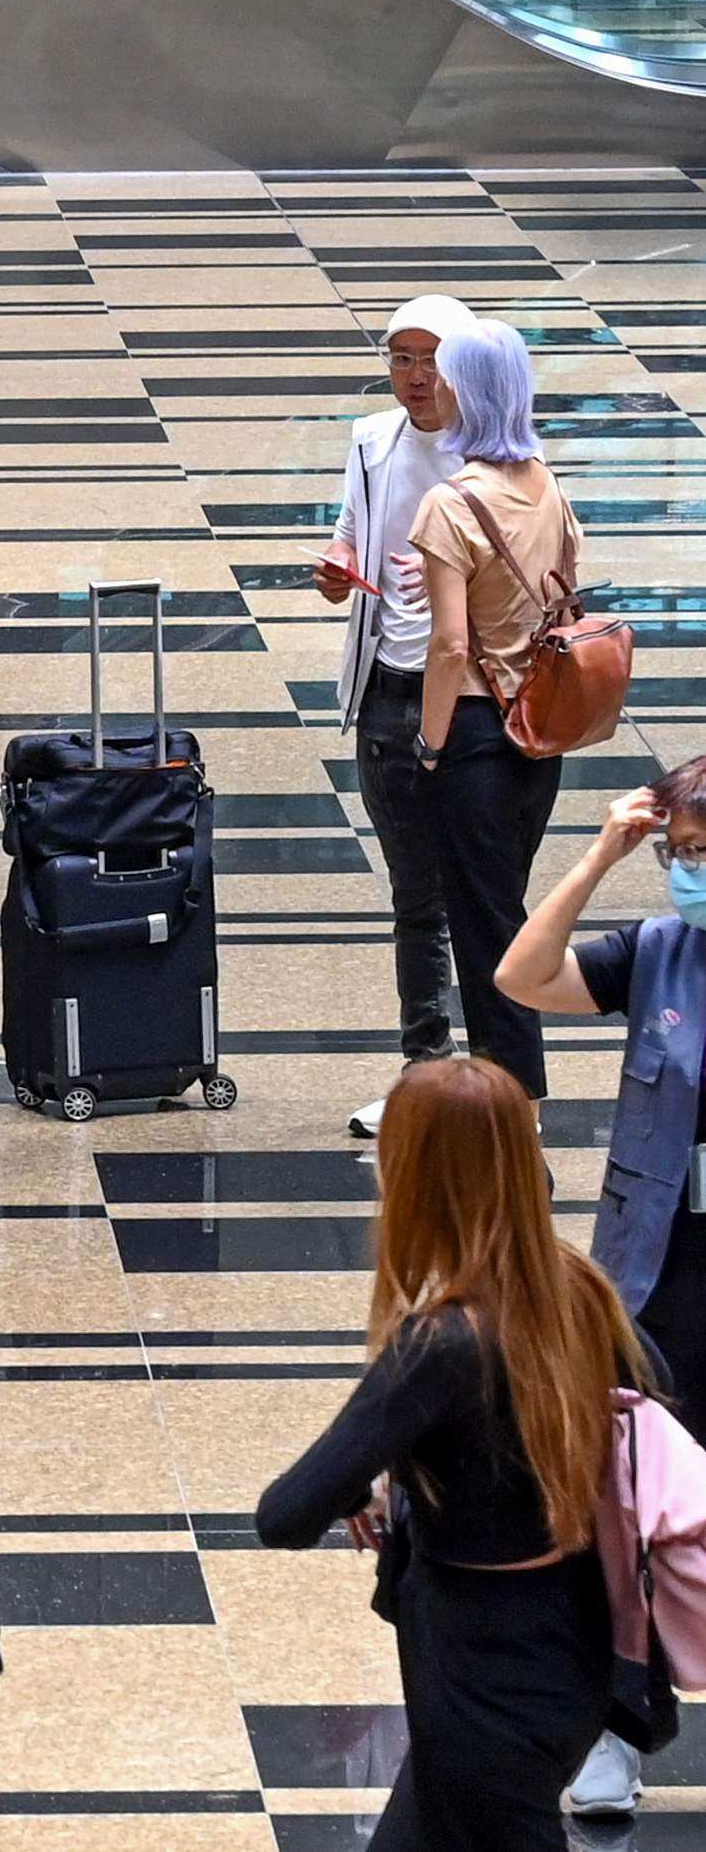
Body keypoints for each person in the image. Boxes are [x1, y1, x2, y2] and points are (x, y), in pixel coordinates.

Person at [257, 1054, 638, 1851]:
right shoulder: (585, 1297)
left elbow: (284, 1512)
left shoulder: (442, 1344)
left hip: (474, 1683)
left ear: (420, 1178)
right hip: (571, 1656)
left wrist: (366, 1481)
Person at [495, 757, 706, 1820]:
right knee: (623, 1512)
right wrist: (596, 858)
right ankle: (619, 1732)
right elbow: (519, 979)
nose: (687, 875)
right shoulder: (658, 954)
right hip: (656, 1271)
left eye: (701, 856)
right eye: (677, 856)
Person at [405, 317, 581, 1104]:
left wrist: (428, 743)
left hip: (474, 730)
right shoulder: (544, 479)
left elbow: (446, 649)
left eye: (443, 372)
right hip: (538, 731)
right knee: (501, 909)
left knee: (485, 935)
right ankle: (518, 1107)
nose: (431, 382)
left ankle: (516, 1114)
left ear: (466, 390)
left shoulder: (451, 503)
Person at [322, 295, 476, 1139]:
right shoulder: (371, 441)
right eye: (400, 358)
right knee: (416, 896)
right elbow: (350, 528)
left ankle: (501, 1088)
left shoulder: (492, 452)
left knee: (485, 897)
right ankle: (422, 1078)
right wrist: (341, 564)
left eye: (430, 357)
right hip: (389, 689)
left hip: (480, 697)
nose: (415, 376)